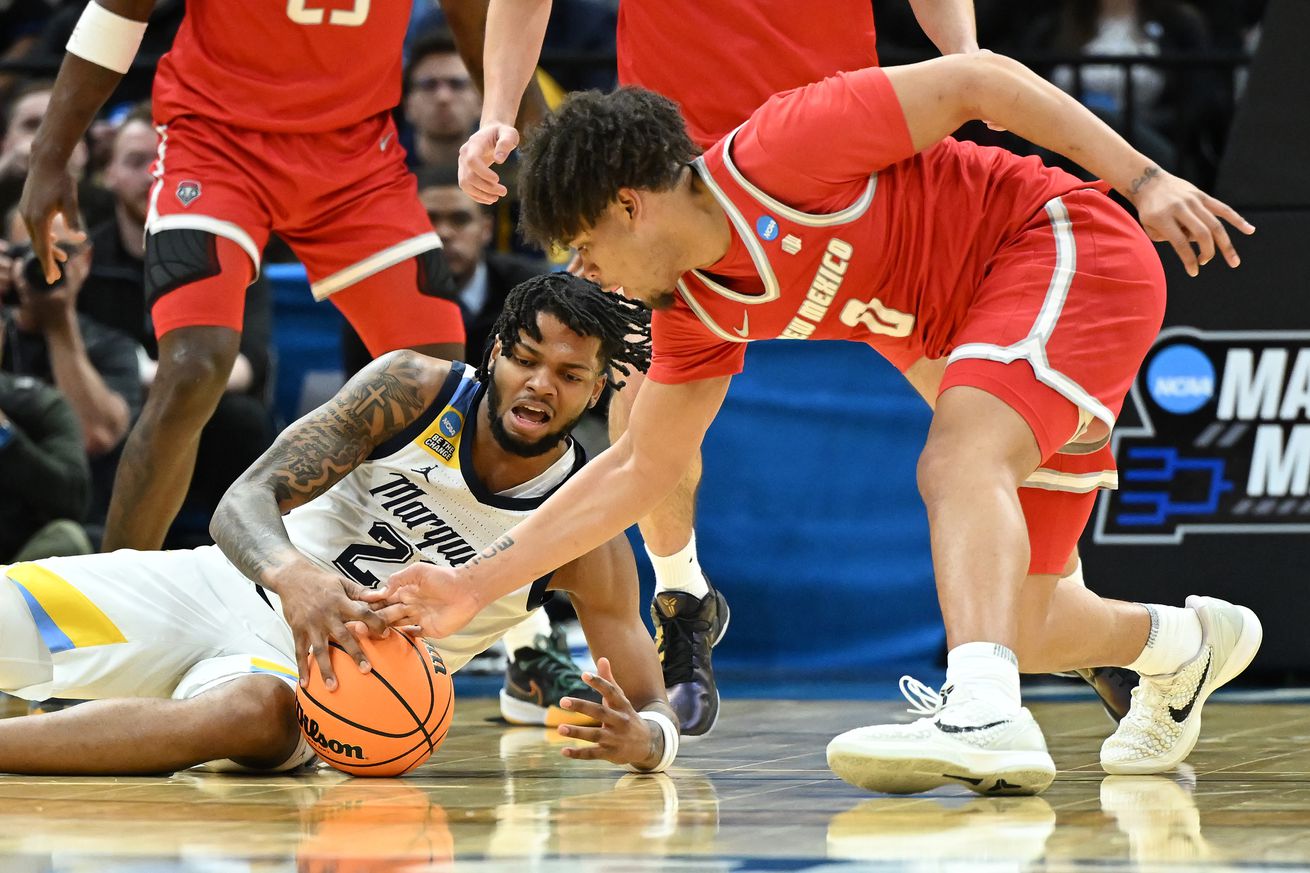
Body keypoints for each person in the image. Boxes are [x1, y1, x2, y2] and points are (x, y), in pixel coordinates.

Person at [373, 52, 1261, 796]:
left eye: (587, 250)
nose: (590, 276)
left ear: (628, 205)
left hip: (1060, 245)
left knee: (960, 458)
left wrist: (1144, 178)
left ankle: (986, 711)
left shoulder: (785, 146)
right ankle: (1180, 645)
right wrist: (472, 584)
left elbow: (979, 80)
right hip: (980, 337)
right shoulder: (691, 312)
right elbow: (641, 468)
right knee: (1024, 620)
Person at [459, 0, 984, 739]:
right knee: (642, 416)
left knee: (985, 410)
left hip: (827, 153)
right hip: (675, 179)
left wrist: (961, 50)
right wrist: (498, 107)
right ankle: (681, 599)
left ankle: (1067, 618)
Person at [0, 273, 679, 776]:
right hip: (221, 584)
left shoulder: (583, 526)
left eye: (567, 374)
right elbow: (245, 499)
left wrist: (646, 739)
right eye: (526, 359)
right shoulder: (413, 389)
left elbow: (655, 705)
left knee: (257, 711)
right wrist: (297, 578)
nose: (539, 384)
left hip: (322, 688)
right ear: (495, 351)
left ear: (596, 391)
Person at [17, 0, 516, 555]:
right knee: (192, 367)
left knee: (442, 388)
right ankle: (113, 595)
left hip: (354, 157)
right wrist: (51, 153)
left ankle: (425, 597)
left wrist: (546, 150)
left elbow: (483, 25)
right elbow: (119, 10)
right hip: (217, 141)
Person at [81, 106, 275, 544]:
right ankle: (98, 557)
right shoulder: (84, 261)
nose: (156, 175)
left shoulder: (232, 252)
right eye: (137, 162)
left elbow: (247, 367)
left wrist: (141, 373)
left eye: (168, 161)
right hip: (105, 417)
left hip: (206, 419)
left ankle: (242, 558)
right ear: (108, 174)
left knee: (238, 417)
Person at [0, 307, 92, 564]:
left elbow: (73, 499)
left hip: (12, 573)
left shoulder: (37, 404)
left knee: (67, 538)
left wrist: (5, 437)